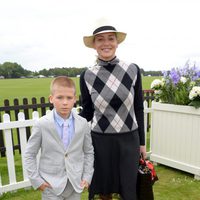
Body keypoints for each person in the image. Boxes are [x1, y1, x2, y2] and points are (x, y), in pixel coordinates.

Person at [79, 19, 146, 200]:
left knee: (129, 188)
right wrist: (65, 120)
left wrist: (142, 143)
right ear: (94, 45)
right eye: (100, 39)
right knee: (104, 190)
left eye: (110, 38)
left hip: (129, 139)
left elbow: (138, 107)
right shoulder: (87, 75)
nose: (106, 43)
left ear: (117, 43)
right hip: (100, 141)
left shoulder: (132, 70)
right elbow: (87, 112)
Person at [24, 76, 94, 200]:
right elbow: (29, 154)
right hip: (50, 185)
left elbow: (88, 152)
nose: (65, 102)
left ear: (75, 99)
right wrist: (36, 180)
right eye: (60, 97)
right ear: (51, 99)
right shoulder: (42, 124)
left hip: (75, 183)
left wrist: (87, 176)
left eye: (69, 98)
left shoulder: (82, 123)